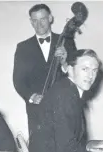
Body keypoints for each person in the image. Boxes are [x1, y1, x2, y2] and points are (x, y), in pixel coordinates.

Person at [13, 4, 77, 137]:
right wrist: (31, 96)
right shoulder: (23, 47)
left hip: (63, 107)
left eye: (42, 19)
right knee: (39, 150)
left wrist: (65, 62)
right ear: (31, 21)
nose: (39, 24)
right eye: (35, 20)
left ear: (50, 18)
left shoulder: (67, 42)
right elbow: (18, 80)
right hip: (37, 110)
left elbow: (76, 75)